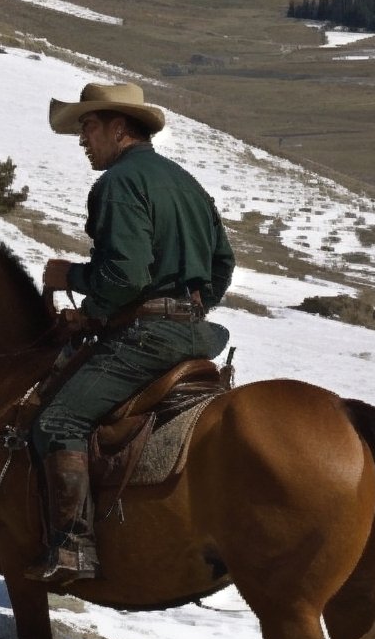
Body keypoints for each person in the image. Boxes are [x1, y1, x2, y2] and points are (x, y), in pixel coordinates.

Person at [24, 81, 234, 584]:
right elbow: (223, 265)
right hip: (196, 336)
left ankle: (73, 546)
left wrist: (69, 279)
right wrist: (181, 303)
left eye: (88, 126)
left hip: (147, 341)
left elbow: (125, 278)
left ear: (119, 129)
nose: (81, 139)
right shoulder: (188, 185)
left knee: (58, 419)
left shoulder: (118, 183)